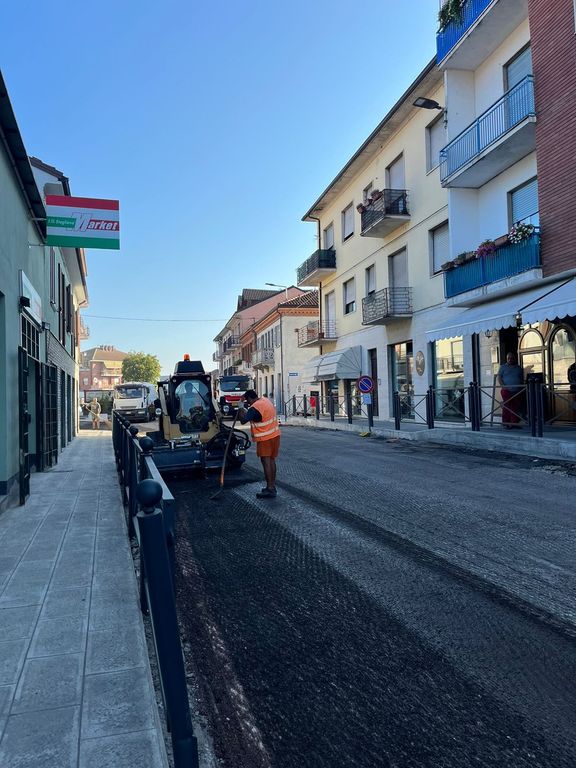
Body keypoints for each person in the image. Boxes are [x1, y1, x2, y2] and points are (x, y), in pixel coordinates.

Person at [238, 389, 280, 499]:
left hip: (265, 437)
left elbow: (243, 420)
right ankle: (272, 486)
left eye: (247, 401)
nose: (248, 403)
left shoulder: (255, 407)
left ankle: (270, 489)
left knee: (266, 462)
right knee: (271, 460)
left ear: (250, 398)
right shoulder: (265, 401)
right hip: (275, 435)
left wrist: (240, 406)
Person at [497, 352, 524, 428]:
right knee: (507, 406)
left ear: (514, 359)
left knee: (515, 407)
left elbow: (521, 378)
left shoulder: (518, 368)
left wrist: (521, 387)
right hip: (506, 391)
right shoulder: (503, 367)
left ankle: (514, 423)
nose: (510, 359)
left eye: (511, 358)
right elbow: (499, 378)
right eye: (508, 358)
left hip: (517, 391)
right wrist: (503, 386)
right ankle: (506, 423)